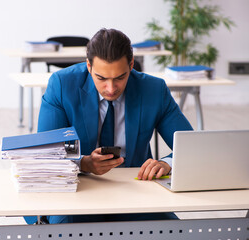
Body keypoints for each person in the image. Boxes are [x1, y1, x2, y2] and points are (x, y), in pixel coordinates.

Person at [25, 28, 193, 224]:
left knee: (173, 230)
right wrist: (84, 162)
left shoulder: (153, 90)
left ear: (131, 65)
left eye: (120, 77)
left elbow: (191, 147)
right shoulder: (62, 85)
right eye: (102, 78)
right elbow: (47, 151)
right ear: (89, 66)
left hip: (135, 191)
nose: (111, 89)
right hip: (78, 190)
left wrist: (167, 164)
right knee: (64, 227)